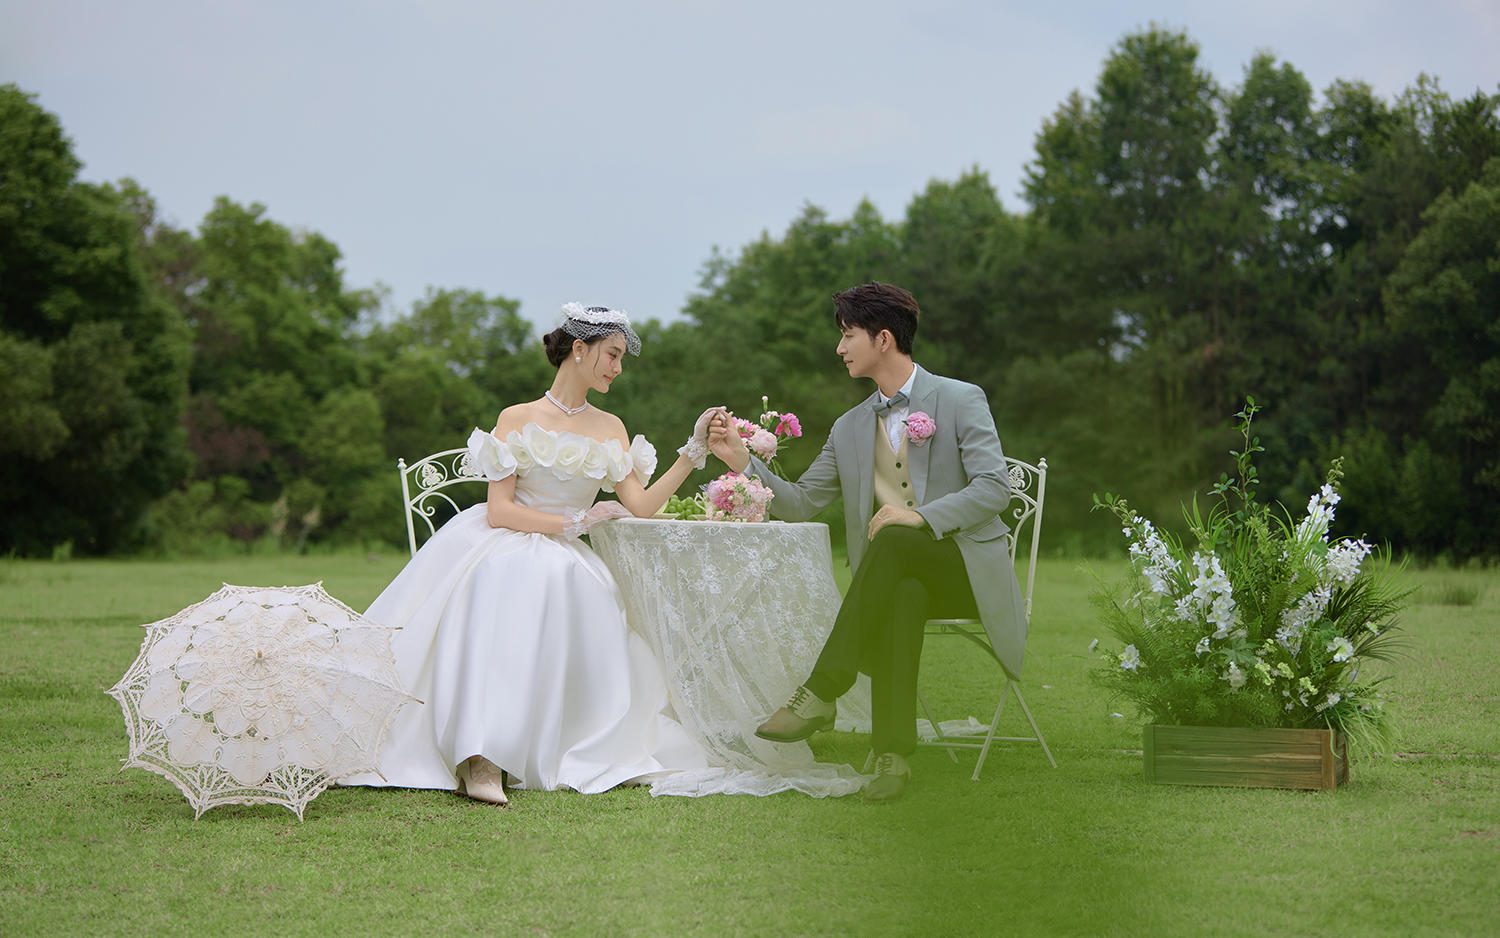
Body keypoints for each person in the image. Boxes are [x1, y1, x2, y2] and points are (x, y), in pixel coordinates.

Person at [345, 303, 721, 805]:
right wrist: (576, 522)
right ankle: (481, 756)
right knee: (507, 579)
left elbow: (642, 505)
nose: (617, 368)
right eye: (612, 355)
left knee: (574, 587)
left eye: (621, 359)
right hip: (506, 539)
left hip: (568, 556)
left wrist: (693, 451)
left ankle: (570, 744)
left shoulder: (611, 427)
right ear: (579, 349)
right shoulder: (516, 418)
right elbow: (499, 510)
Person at [707, 282, 1027, 801]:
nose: (839, 348)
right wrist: (742, 460)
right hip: (895, 579)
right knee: (903, 594)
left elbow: (994, 488)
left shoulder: (960, 398)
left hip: (964, 572)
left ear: (882, 339)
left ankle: (822, 690)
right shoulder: (849, 427)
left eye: (847, 335)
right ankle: (892, 757)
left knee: (896, 538)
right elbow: (801, 502)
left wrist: (919, 516)